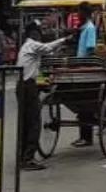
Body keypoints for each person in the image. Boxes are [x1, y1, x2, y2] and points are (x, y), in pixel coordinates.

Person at [16, 22, 70, 170]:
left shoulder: (28, 48)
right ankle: (27, 159)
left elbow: (34, 68)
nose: (40, 35)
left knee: (26, 123)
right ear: (33, 33)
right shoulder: (31, 45)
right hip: (27, 87)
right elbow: (47, 48)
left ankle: (23, 157)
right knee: (33, 123)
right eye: (38, 32)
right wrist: (64, 40)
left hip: (25, 85)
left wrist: (43, 81)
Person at [71, 2, 98, 148]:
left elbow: (90, 49)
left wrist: (86, 66)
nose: (77, 15)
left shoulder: (90, 28)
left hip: (84, 66)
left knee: (84, 103)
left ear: (84, 13)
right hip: (79, 64)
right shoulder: (83, 28)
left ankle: (86, 137)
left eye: (79, 12)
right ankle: (84, 136)